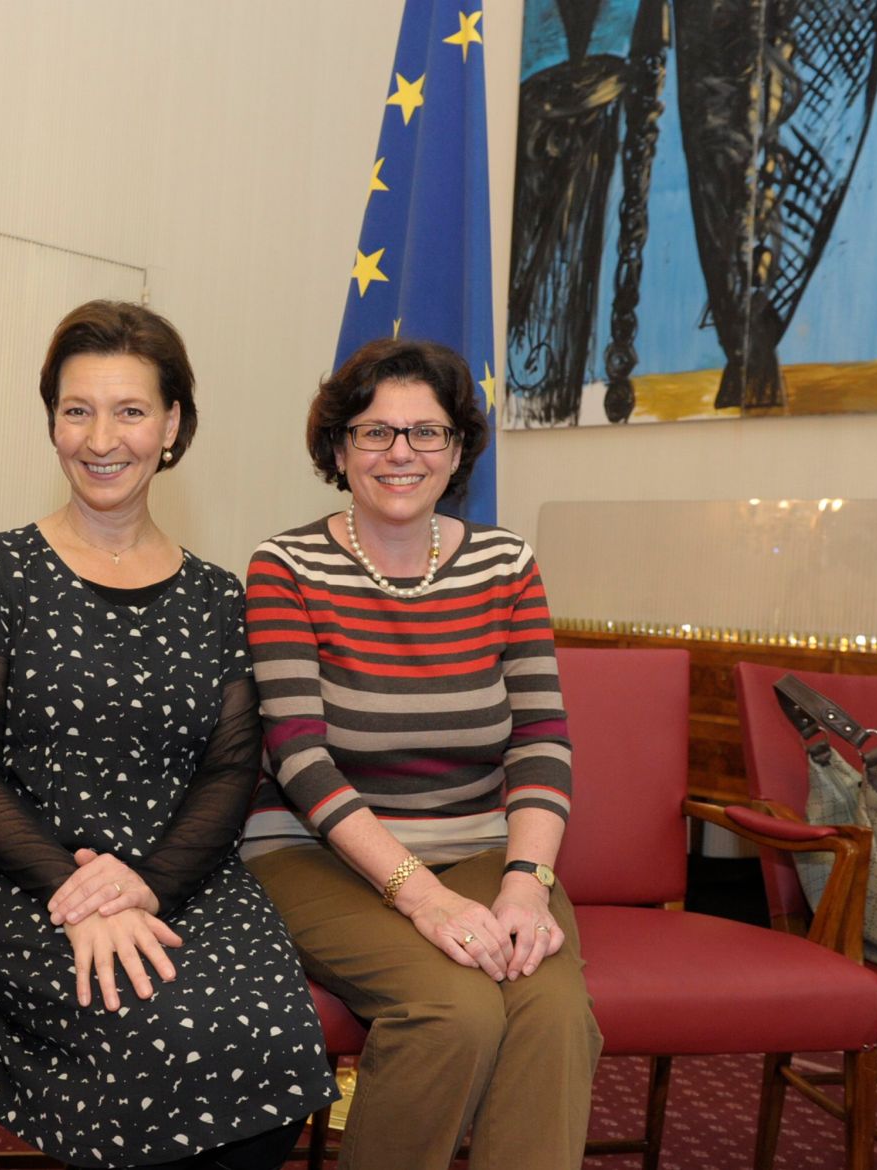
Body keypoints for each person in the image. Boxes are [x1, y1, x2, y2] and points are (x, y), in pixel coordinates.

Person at [0, 300, 337, 1169]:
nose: (101, 439)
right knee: (157, 1026)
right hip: (22, 875)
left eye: (130, 411)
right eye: (77, 410)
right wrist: (76, 893)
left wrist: (146, 885)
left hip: (182, 872)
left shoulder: (218, 596)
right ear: (52, 421)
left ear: (172, 424)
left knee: (273, 1038)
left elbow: (230, 771)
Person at [241, 338, 601, 1169]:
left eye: (426, 432)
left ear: (458, 448)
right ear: (339, 451)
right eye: (374, 432)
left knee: (553, 1015)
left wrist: (526, 884)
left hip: (478, 848)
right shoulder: (286, 566)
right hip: (314, 853)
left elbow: (541, 740)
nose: (401, 453)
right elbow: (298, 758)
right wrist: (422, 896)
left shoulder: (506, 564)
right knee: (453, 1012)